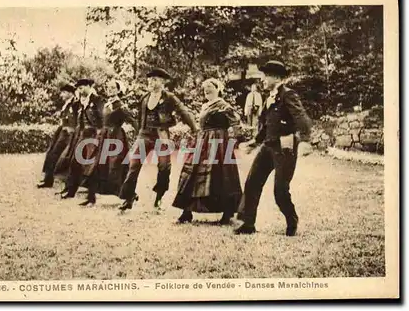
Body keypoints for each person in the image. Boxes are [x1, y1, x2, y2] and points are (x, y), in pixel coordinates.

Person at [234, 60, 313, 237]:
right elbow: (266, 125)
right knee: (252, 182)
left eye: (266, 76)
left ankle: (291, 220)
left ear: (276, 77)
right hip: (268, 146)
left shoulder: (288, 95)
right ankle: (248, 224)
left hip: (284, 147)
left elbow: (301, 117)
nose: (262, 80)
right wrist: (254, 142)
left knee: (280, 189)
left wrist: (306, 140)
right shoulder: (269, 97)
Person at [118, 68, 198, 211]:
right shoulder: (144, 98)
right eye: (149, 79)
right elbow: (139, 118)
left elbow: (184, 112)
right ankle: (128, 198)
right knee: (133, 164)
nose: (150, 82)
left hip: (162, 136)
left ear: (162, 82)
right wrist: (138, 133)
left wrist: (195, 128)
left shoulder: (169, 98)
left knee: (164, 167)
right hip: (144, 135)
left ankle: (159, 197)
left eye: (154, 79)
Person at [172, 78, 246, 225]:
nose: (207, 89)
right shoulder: (205, 105)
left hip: (219, 143)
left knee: (221, 175)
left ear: (218, 88)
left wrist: (238, 139)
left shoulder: (223, 106)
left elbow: (236, 123)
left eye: (210, 87)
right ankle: (186, 212)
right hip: (203, 141)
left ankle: (228, 213)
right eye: (205, 87)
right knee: (192, 173)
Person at [77, 79, 139, 206]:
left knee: (116, 168)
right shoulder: (105, 104)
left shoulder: (121, 106)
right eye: (108, 87)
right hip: (103, 137)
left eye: (112, 88)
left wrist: (141, 135)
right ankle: (91, 197)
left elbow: (133, 121)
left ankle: (130, 196)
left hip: (116, 139)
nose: (109, 90)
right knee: (95, 165)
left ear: (118, 90)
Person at [60, 78, 104, 199]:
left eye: (82, 87)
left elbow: (102, 118)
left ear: (89, 86)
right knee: (75, 161)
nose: (80, 90)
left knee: (92, 164)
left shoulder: (97, 100)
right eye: (78, 88)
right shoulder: (80, 101)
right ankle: (71, 191)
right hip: (83, 134)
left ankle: (91, 195)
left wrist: (99, 135)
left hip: (94, 135)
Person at [37, 83, 79, 189]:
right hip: (63, 132)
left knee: (67, 157)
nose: (62, 95)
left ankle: (69, 183)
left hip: (71, 134)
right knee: (52, 154)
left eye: (64, 92)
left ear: (70, 93)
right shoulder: (66, 104)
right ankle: (48, 180)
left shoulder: (75, 103)